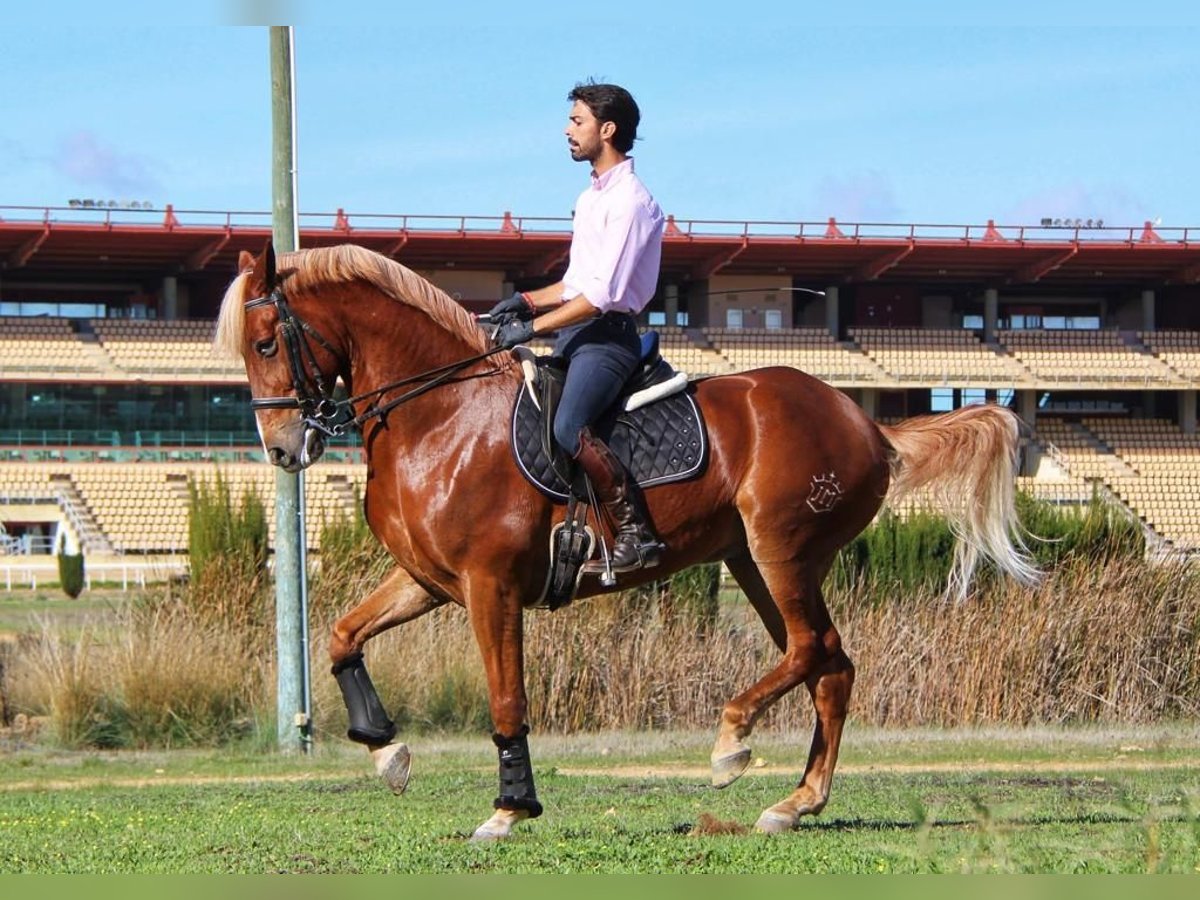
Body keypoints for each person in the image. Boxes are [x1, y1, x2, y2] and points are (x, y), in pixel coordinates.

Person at [490, 82, 666, 573]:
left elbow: (603, 295)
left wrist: (533, 329)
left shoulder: (630, 201)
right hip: (578, 334)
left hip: (608, 339)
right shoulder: (590, 198)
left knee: (569, 426)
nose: (568, 130)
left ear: (607, 130)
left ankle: (635, 532)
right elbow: (574, 282)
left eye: (577, 121)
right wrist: (524, 301)